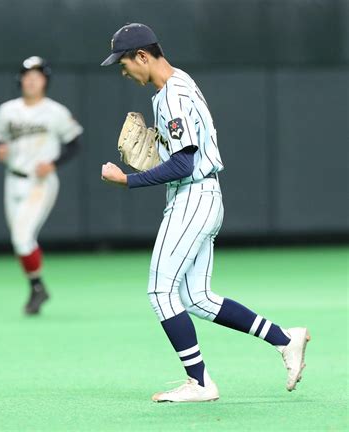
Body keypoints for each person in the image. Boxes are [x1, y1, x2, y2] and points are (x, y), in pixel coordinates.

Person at [100, 23, 310, 402]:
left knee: (160, 291)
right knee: (197, 297)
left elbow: (182, 164)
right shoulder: (178, 82)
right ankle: (285, 339)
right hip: (203, 195)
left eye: (124, 61)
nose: (123, 70)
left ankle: (199, 383)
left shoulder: (171, 95)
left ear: (143, 56)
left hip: (192, 197)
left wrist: (128, 181)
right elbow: (181, 154)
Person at [0, 57, 83, 315]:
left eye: (37, 75)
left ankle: (38, 287)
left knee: (22, 236)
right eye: (27, 74)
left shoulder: (56, 111)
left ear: (45, 81)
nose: (31, 79)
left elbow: (74, 143)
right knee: (21, 241)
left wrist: (54, 163)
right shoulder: (7, 110)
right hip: (13, 179)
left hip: (40, 182)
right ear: (20, 79)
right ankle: (36, 287)